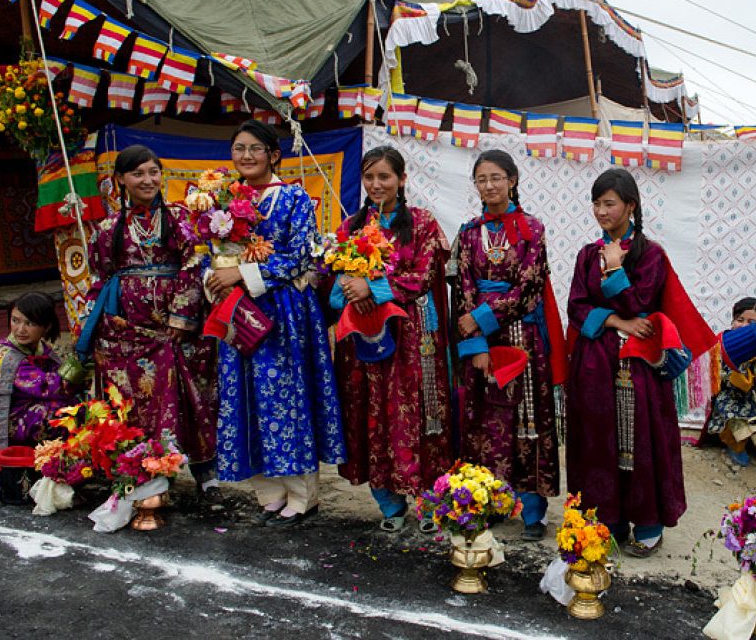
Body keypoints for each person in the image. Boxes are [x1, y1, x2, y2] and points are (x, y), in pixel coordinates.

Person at [565, 168, 714, 558]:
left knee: (642, 441)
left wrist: (616, 269)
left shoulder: (651, 255)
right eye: (596, 204)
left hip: (639, 365)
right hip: (595, 365)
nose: (601, 211)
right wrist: (617, 321)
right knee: (598, 441)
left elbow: (642, 306)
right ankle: (607, 519)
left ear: (631, 206)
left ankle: (648, 525)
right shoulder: (587, 255)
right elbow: (577, 307)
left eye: (609, 203)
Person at [204, 120, 346, 527]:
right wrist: (214, 274)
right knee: (248, 396)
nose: (246, 156)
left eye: (255, 148)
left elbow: (302, 255)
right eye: (239, 148)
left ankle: (303, 497)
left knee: (285, 398)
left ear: (274, 155)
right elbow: (209, 250)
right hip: (237, 311)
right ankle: (269, 494)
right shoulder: (225, 199)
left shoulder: (293, 197)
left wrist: (243, 274)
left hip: (283, 313)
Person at [80, 145, 220, 507]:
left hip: (179, 328)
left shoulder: (181, 218)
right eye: (138, 173)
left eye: (153, 172)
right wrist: (99, 324)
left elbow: (195, 263)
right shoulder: (107, 229)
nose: (147, 180)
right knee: (135, 402)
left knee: (194, 396)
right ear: (120, 179)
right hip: (129, 332)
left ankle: (207, 473)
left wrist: (182, 316)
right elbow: (101, 277)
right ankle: (144, 475)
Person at [332, 145, 452, 533]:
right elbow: (334, 281)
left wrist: (373, 287)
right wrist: (348, 289)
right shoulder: (350, 228)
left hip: (412, 338)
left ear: (402, 179)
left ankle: (430, 503)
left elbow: (423, 274)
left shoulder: (422, 223)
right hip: (363, 337)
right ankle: (389, 504)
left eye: (384, 176)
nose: (376, 184)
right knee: (371, 413)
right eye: (369, 177)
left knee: (416, 414)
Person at [453, 150, 567, 541]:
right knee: (486, 422)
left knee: (526, 420)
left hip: (523, 338)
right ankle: (491, 502)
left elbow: (529, 287)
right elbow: (464, 287)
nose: (489, 186)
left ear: (512, 180)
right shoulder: (470, 232)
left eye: (496, 177)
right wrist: (476, 343)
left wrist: (481, 317)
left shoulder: (532, 228)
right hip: (484, 341)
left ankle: (533, 512)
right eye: (481, 179)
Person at [0, 292, 78, 502]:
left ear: (46, 326)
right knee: (59, 415)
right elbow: (47, 386)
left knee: (75, 408)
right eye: (15, 321)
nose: (20, 329)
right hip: (6, 421)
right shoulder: (8, 357)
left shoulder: (42, 350)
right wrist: (79, 369)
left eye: (29, 323)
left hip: (26, 412)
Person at [703, 297, 756, 470]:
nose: (743, 326)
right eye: (739, 319)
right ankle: (736, 446)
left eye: (751, 322)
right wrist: (738, 359)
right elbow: (724, 383)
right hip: (734, 398)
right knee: (730, 412)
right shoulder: (721, 348)